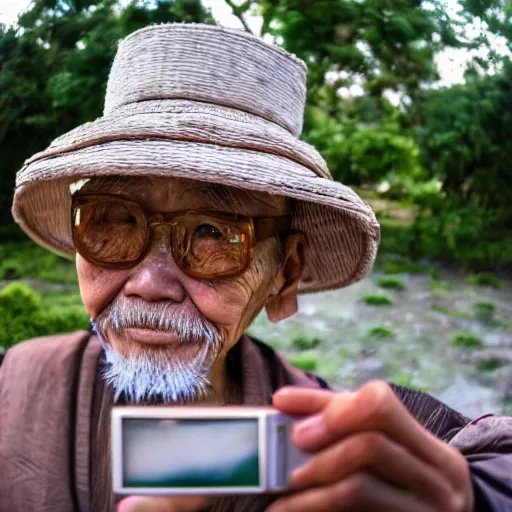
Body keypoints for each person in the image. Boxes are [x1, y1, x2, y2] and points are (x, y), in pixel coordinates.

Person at [1, 23, 511, 512]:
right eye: (110, 220)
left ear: (284, 274)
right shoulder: (18, 383)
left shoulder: (329, 429)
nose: (149, 285)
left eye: (212, 233)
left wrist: (468, 497)